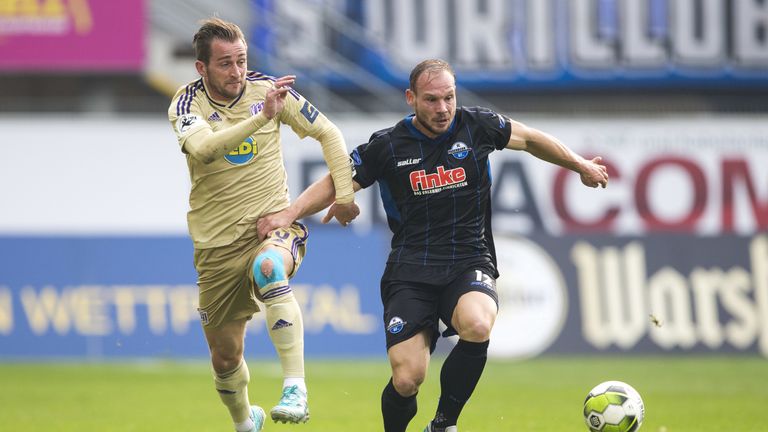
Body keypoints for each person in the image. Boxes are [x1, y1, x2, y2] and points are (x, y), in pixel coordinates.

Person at [256, 59, 609, 432]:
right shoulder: (389, 145)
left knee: (477, 323)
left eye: (449, 97)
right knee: (407, 379)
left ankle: (443, 424)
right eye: (431, 100)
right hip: (411, 270)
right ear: (411, 98)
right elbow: (337, 179)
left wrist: (580, 165)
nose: (443, 108)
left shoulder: (477, 126)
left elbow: (532, 139)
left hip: (469, 259)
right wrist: (290, 213)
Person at [167, 18, 359, 432]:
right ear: (202, 68)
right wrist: (261, 118)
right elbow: (205, 149)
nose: (236, 71)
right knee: (225, 358)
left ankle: (295, 388)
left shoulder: (268, 90)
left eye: (241, 60)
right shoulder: (186, 104)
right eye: (225, 63)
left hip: (270, 228)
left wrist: (344, 195)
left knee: (269, 267)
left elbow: (328, 132)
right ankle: (245, 422)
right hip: (217, 246)